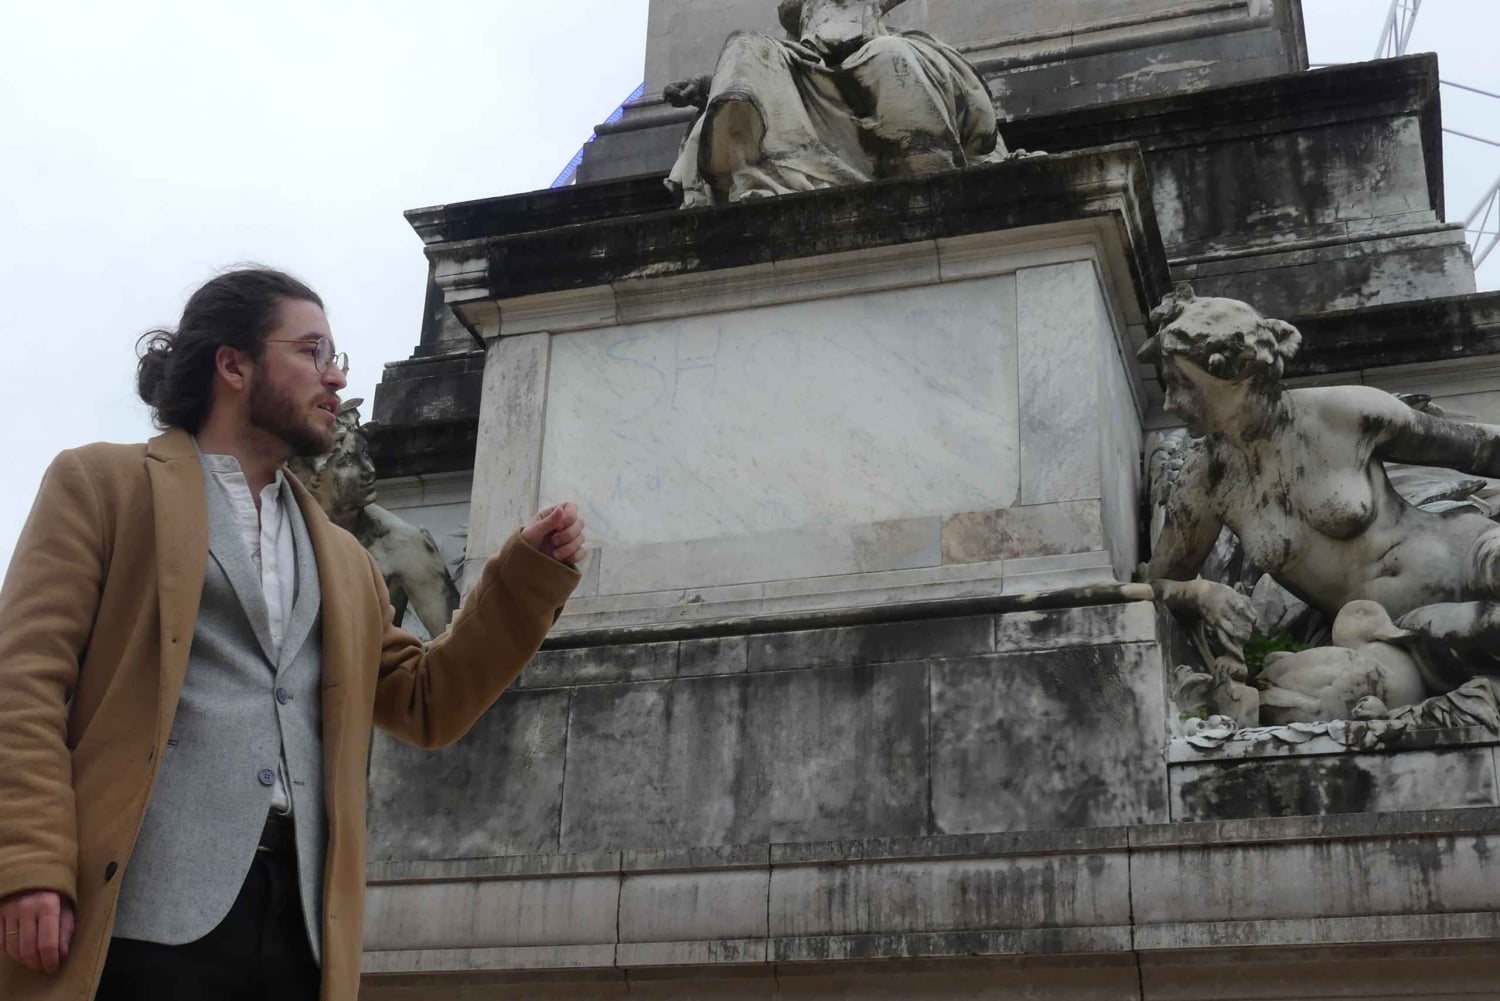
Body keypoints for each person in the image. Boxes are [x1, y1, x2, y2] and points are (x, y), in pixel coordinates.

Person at [0, 268, 586, 1001]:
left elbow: (427, 701)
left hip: (300, 927)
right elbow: (23, 684)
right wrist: (29, 863)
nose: (335, 377)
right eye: (312, 351)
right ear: (233, 364)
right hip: (140, 916)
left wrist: (523, 579)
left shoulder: (345, 559)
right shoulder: (102, 486)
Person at [1140, 285, 1500, 696]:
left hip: (1474, 556)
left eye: (1180, 384)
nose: (1170, 403)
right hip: (1396, 633)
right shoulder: (1205, 482)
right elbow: (1155, 586)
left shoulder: (1344, 413)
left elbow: (1480, 447)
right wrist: (1200, 592)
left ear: (1233, 370)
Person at [665, 0, 1002, 206]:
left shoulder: (886, 35)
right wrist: (710, 88)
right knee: (743, 45)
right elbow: (770, 72)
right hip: (811, 61)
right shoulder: (791, 44)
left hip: (871, 48)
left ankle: (930, 177)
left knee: (891, 59)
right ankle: (750, 179)